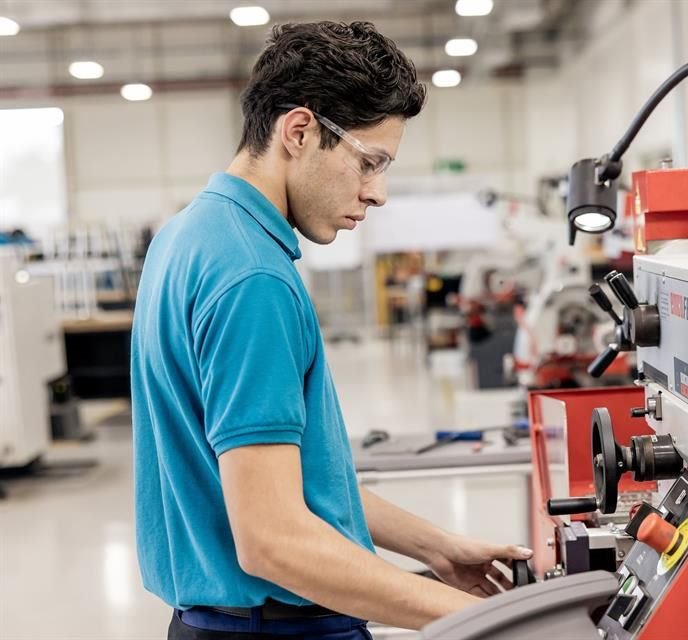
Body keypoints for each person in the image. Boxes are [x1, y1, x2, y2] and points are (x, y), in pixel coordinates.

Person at [131, 21, 532, 640]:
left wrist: (437, 547)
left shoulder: (189, 236)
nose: (378, 194)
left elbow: (288, 487)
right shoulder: (251, 278)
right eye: (369, 163)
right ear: (299, 131)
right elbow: (273, 542)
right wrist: (487, 619)